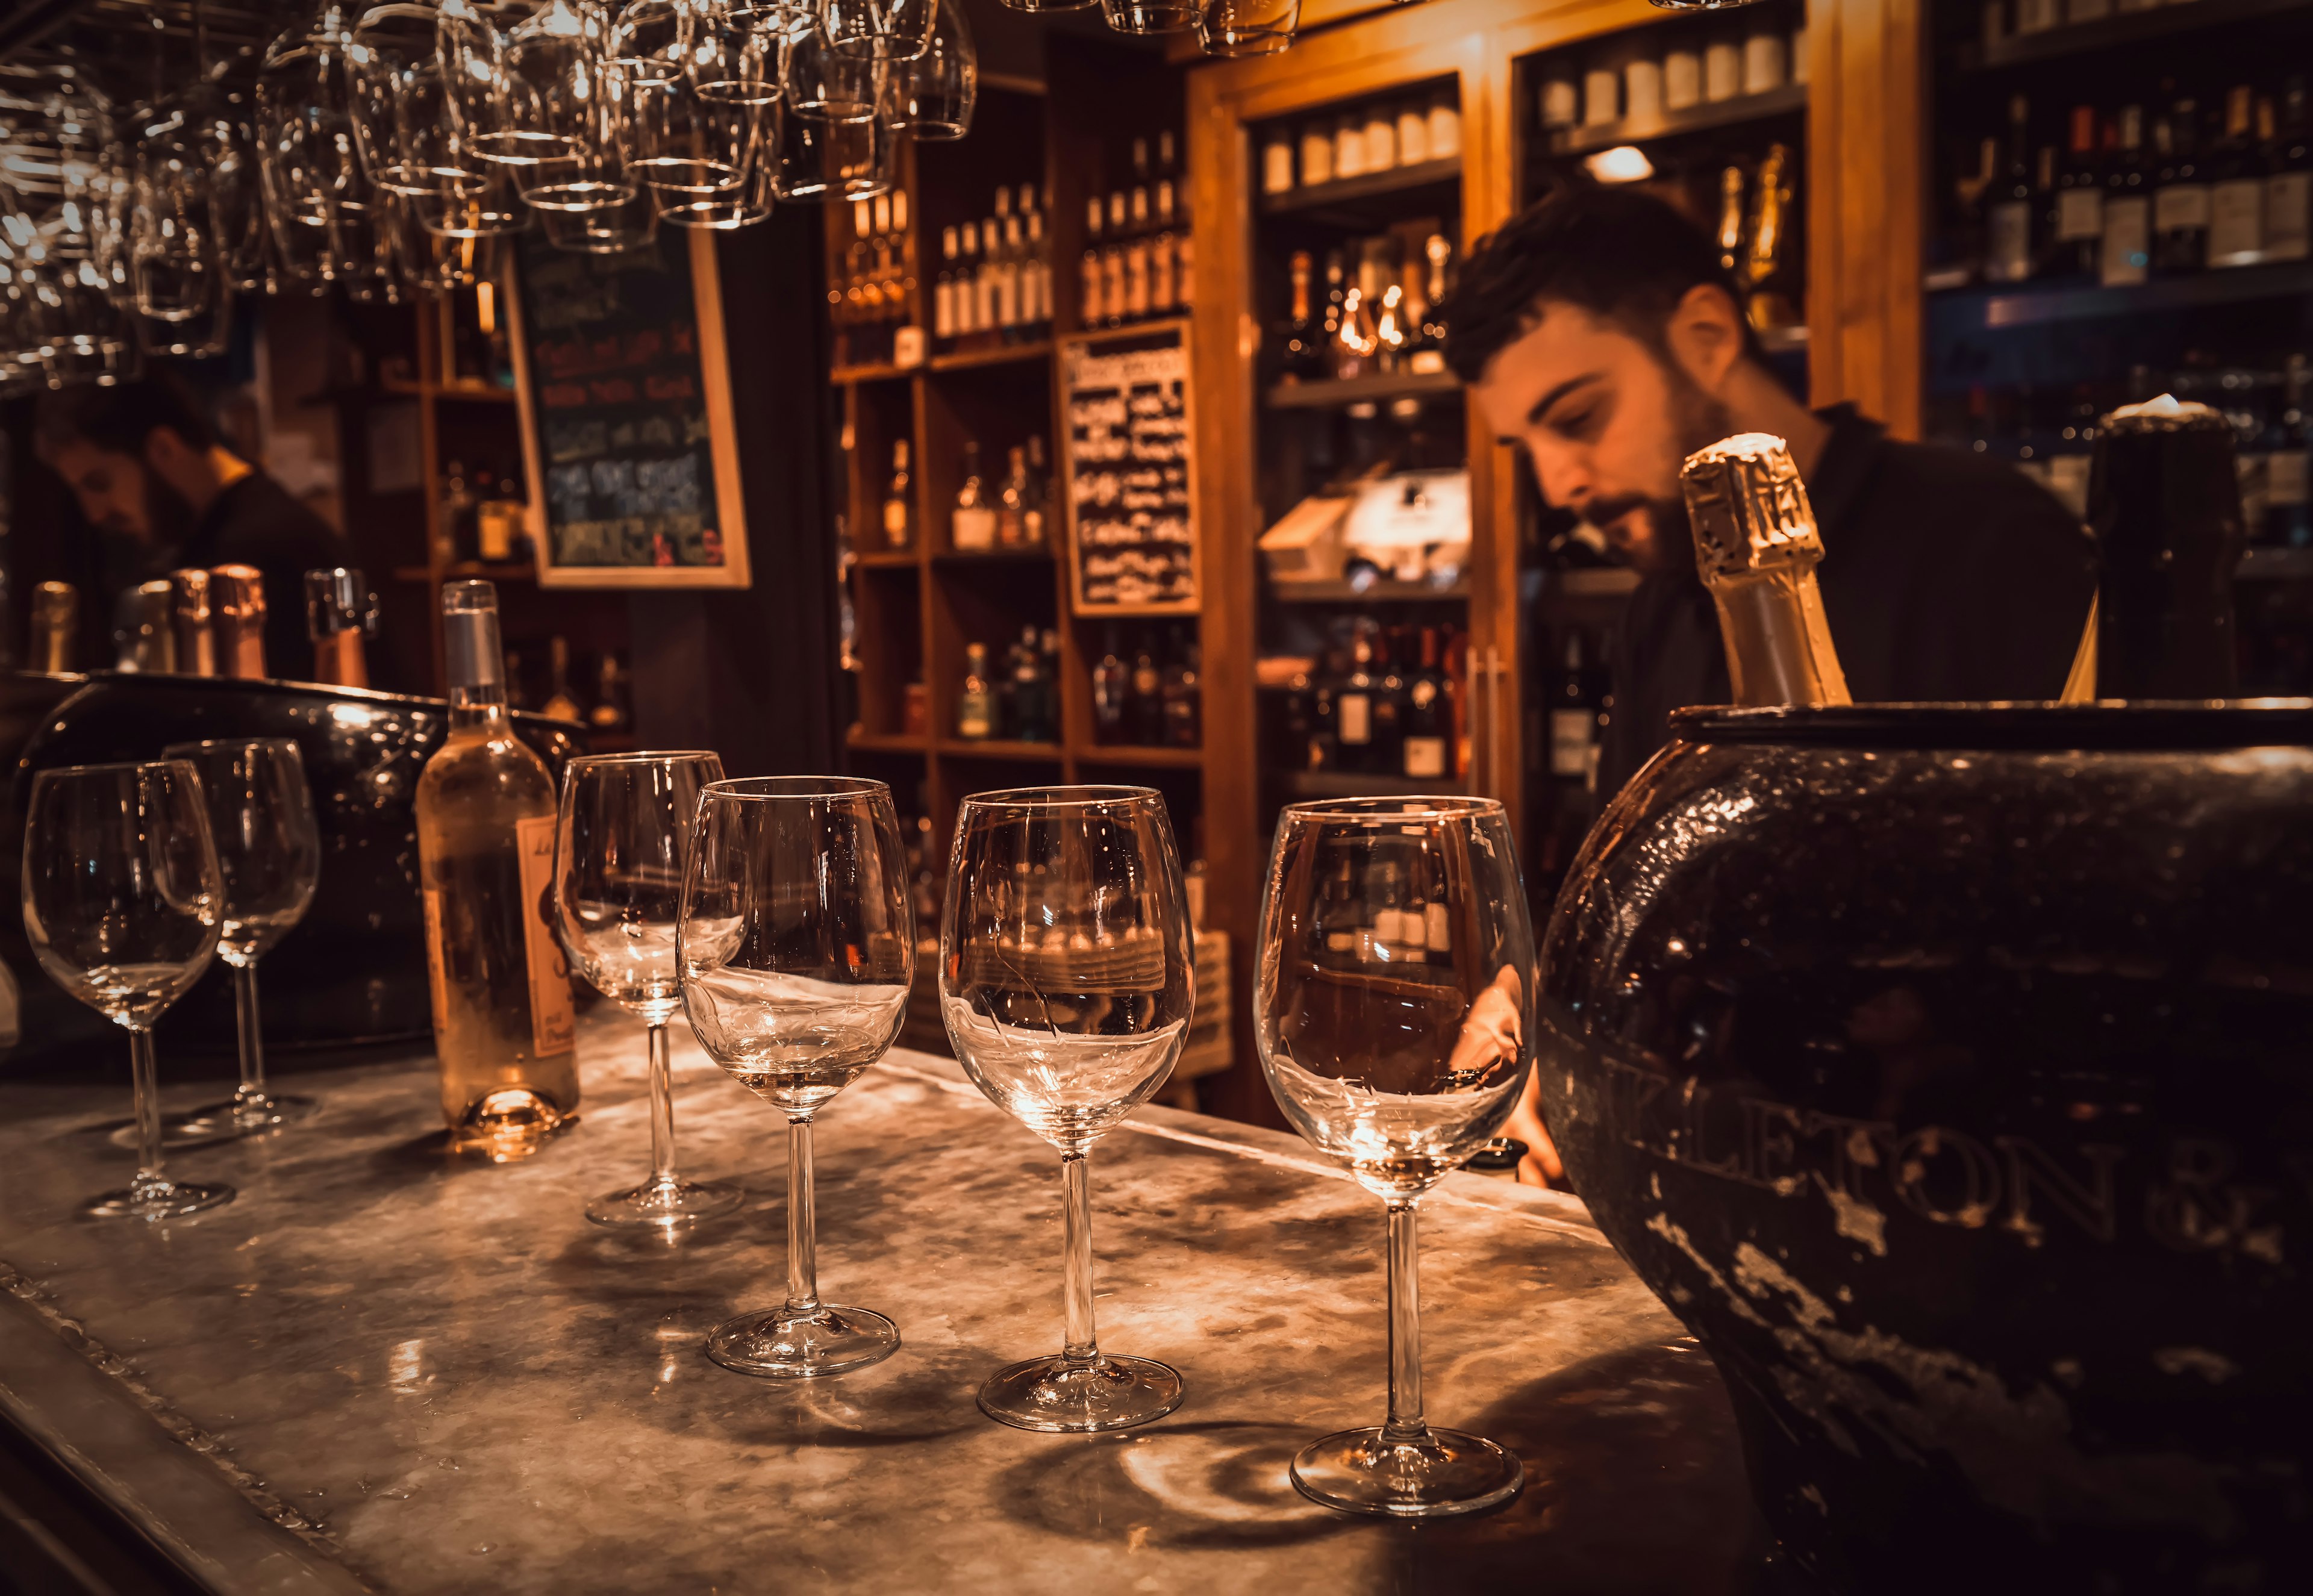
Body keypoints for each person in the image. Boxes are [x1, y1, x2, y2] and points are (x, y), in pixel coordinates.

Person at [1442, 186, 2094, 1188]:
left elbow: (2083, 938)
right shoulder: (1663, 594)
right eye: (1525, 447)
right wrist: (1532, 998)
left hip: (1947, 1178)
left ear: (1705, 334)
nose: (1558, 483)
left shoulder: (1983, 540)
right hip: (1700, 1165)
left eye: (1578, 417)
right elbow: (1626, 889)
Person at [36, 375, 352, 676]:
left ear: (164, 448)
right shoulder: (243, 521)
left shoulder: (255, 547)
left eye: (98, 483)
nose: (94, 514)